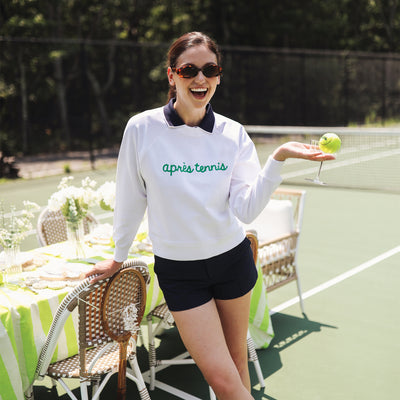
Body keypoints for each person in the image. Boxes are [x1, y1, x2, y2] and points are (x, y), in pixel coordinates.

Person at [85, 31, 335, 399]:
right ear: (172, 76)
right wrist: (117, 255)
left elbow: (246, 208)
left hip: (232, 261)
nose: (200, 78)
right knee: (220, 378)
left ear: (218, 76)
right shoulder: (141, 128)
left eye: (210, 69)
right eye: (189, 70)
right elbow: (130, 197)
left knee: (236, 366)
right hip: (180, 272)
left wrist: (277, 160)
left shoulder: (232, 134)